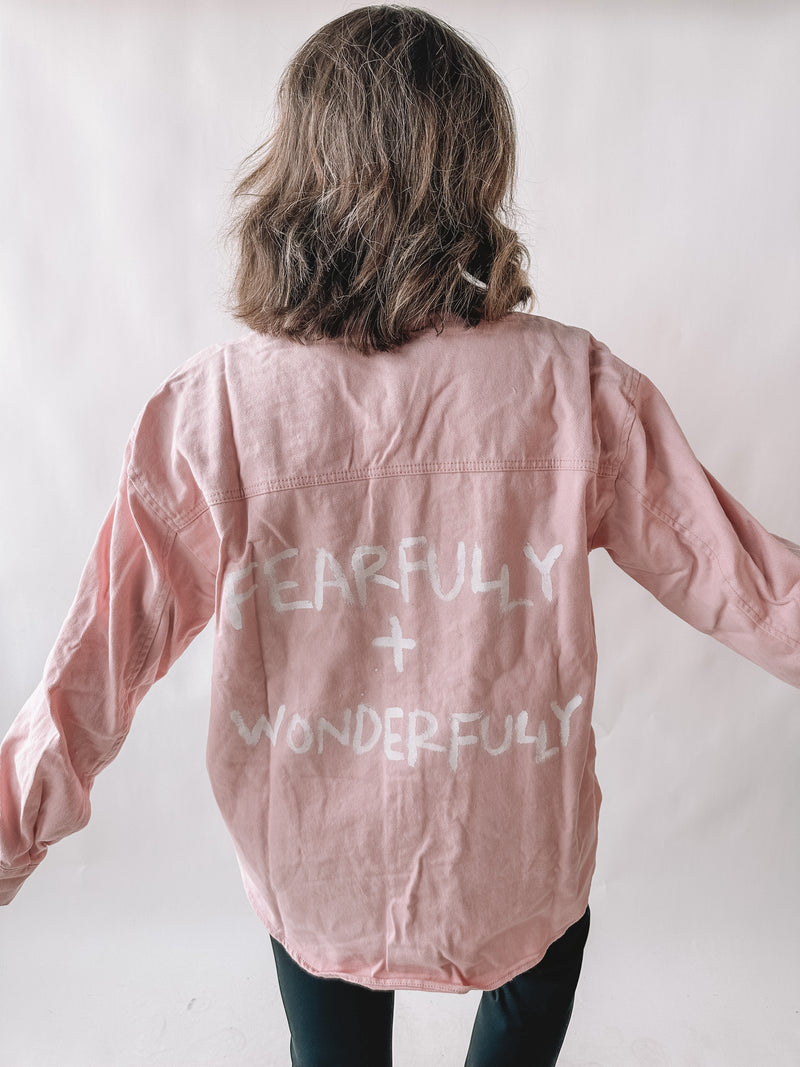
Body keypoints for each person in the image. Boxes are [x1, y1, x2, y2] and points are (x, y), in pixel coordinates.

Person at [1, 5, 798, 1065]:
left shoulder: (221, 407)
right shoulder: (575, 387)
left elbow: (97, 665)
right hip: (518, 859)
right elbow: (742, 582)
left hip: (316, 866)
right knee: (540, 967)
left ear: (297, 172)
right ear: (473, 169)